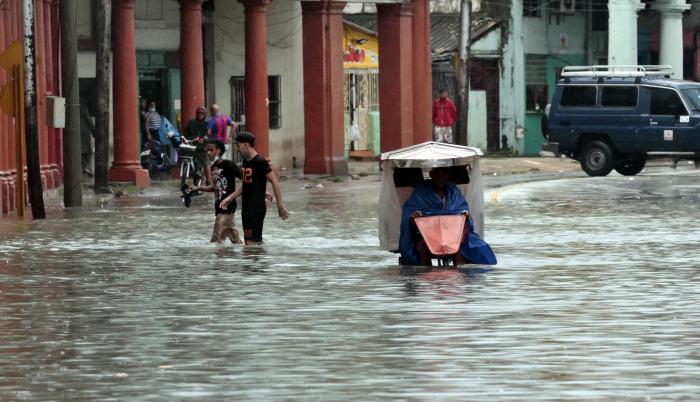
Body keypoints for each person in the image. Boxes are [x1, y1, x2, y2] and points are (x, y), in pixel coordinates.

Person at [399, 167, 496, 266]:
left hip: (452, 234)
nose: (441, 179)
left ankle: (459, 270)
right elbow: (409, 212)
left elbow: (462, 210)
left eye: (444, 176)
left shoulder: (454, 192)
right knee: (423, 246)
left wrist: (464, 215)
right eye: (438, 176)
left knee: (458, 243)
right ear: (431, 175)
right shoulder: (421, 191)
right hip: (428, 235)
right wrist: (414, 216)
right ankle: (426, 271)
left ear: (448, 176)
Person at [220, 131, 288, 245]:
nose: (237, 149)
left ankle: (255, 262)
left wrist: (280, 205)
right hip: (246, 207)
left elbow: (274, 181)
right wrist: (230, 197)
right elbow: (246, 185)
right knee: (256, 242)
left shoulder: (260, 161)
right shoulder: (246, 161)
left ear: (246, 145)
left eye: (238, 146)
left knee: (249, 244)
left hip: (255, 208)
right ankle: (262, 261)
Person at [190, 139, 243, 244]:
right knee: (236, 242)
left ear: (218, 151)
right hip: (219, 208)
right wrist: (198, 188)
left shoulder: (229, 164)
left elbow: (246, 179)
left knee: (215, 242)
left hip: (227, 208)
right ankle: (249, 253)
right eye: (207, 150)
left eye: (211, 150)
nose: (208, 152)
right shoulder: (214, 167)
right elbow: (215, 187)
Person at [183, 106, 209, 173]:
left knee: (205, 163)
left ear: (204, 115)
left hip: (201, 145)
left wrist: (204, 139)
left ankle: (206, 177)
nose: (200, 115)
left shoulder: (206, 124)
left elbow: (208, 134)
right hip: (192, 144)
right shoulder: (192, 122)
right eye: (199, 113)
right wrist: (184, 138)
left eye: (202, 113)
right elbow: (186, 132)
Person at [79, 104, 95, 176]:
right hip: (85, 133)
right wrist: (94, 133)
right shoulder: (83, 109)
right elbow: (89, 122)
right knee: (87, 153)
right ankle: (84, 168)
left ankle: (83, 168)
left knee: (81, 153)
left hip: (75, 133)